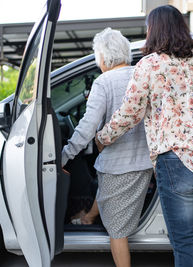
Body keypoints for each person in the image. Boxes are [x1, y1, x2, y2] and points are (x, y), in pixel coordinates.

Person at [95, 5, 193, 267]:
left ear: (153, 30)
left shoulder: (149, 65)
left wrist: (103, 137)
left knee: (183, 240)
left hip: (177, 162)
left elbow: (129, 113)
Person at [61, 27, 153, 267]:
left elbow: (87, 126)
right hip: (145, 162)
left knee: (117, 232)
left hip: (119, 165)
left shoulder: (104, 81)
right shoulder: (142, 74)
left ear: (102, 56)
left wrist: (65, 154)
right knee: (107, 192)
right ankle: (89, 216)